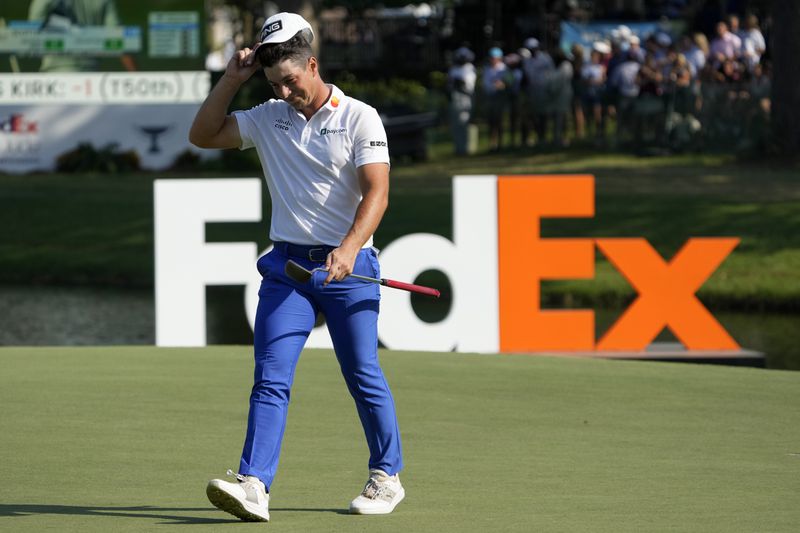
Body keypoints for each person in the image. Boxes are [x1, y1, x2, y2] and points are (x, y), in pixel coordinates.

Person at [188, 12, 404, 522]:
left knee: (362, 373)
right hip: (288, 271)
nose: (284, 93)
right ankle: (254, 485)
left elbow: (378, 192)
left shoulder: (359, 117)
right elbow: (202, 135)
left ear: (312, 64)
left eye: (290, 81)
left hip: (350, 269)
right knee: (271, 377)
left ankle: (385, 476)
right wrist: (232, 79)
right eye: (274, 84)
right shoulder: (267, 116)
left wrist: (350, 247)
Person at [28, 0, 136, 72]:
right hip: (90, 76)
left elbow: (32, 29)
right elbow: (118, 39)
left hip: (55, 74)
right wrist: (134, 74)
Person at [447, 46, 477, 155]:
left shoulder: (470, 68)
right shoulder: (453, 69)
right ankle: (458, 148)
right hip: (455, 98)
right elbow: (449, 84)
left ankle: (465, 148)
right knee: (456, 125)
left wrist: (459, 83)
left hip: (465, 98)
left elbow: (469, 86)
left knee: (463, 123)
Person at [482, 46, 509, 152]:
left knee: (500, 121)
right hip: (490, 97)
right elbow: (486, 84)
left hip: (500, 98)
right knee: (491, 121)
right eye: (491, 57)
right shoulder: (487, 69)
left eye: (495, 57)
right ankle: (492, 144)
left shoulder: (504, 68)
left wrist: (501, 85)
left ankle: (501, 144)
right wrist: (495, 85)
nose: (492, 59)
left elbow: (506, 82)